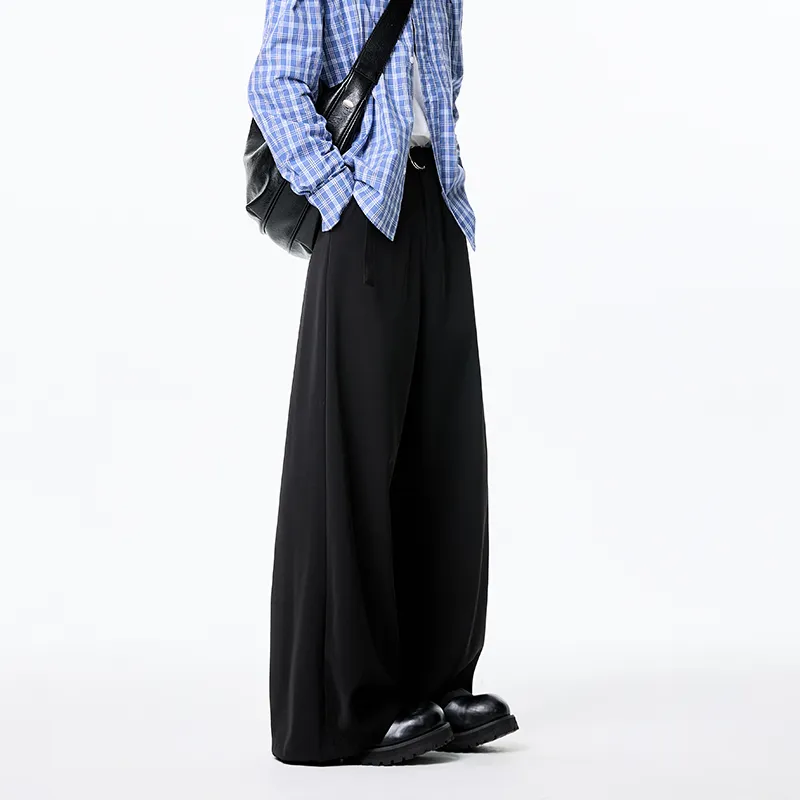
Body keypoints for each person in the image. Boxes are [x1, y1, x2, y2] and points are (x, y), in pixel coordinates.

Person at [247, 0, 517, 766]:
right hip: (364, 209)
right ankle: (351, 704)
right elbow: (275, 84)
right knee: (354, 461)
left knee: (446, 450)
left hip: (437, 204)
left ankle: (438, 681)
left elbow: (446, 76)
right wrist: (338, 194)